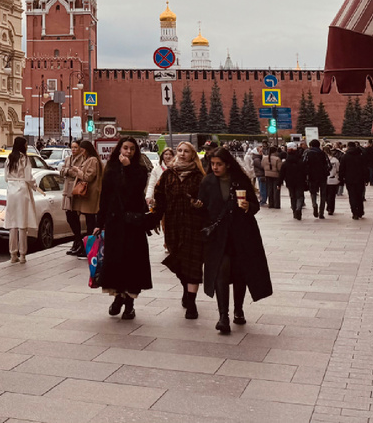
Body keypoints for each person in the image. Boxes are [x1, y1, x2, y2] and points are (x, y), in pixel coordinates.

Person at [198, 147, 273, 334]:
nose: (215, 167)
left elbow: (255, 206)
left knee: (240, 274)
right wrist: (197, 207)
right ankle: (223, 316)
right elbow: (203, 210)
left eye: (219, 164)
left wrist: (248, 206)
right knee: (221, 273)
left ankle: (238, 309)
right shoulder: (207, 182)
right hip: (219, 237)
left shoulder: (240, 180)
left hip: (242, 234)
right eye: (213, 164)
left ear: (227, 164)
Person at [92, 137, 156, 321]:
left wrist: (128, 168)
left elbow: (135, 192)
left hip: (133, 224)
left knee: (132, 264)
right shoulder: (111, 168)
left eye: (132, 149)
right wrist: (99, 222)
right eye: (125, 148)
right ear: (119, 149)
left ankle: (129, 304)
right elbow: (105, 196)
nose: (128, 152)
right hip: (115, 223)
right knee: (116, 262)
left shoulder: (140, 170)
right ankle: (118, 298)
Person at [149, 141, 206, 319]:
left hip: (193, 225)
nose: (181, 154)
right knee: (178, 261)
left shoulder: (199, 177)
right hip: (173, 225)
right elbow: (159, 197)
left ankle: (192, 302)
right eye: (179, 150)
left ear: (193, 155)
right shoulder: (168, 175)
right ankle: (185, 288)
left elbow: (208, 201)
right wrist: (154, 219)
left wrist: (199, 205)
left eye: (186, 151)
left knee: (193, 264)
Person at [4, 136, 36, 264]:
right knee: (22, 224)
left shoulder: (9, 158)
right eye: (26, 144)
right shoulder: (25, 159)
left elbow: (6, 177)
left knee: (12, 224)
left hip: (11, 190)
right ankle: (23, 254)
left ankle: (13, 254)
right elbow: (28, 177)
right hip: (22, 190)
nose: (27, 146)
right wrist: (35, 186)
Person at [62, 140, 98, 255]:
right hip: (70, 190)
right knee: (70, 216)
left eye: (76, 148)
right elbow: (62, 171)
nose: (74, 150)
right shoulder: (68, 159)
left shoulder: (87, 159)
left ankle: (83, 244)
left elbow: (85, 176)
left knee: (88, 219)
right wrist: (69, 171)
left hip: (80, 191)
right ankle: (78, 240)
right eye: (72, 147)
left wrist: (75, 171)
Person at [341, 141, 368, 219]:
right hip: (360, 179)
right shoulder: (361, 156)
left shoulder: (345, 156)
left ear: (348, 147)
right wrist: (366, 178)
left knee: (352, 196)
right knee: (359, 195)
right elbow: (365, 168)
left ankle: (354, 212)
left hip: (349, 179)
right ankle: (360, 211)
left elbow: (342, 168)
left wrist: (341, 179)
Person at [304, 139, 329, 219]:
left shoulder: (307, 153)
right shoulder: (323, 154)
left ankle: (314, 205)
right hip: (322, 177)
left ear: (311, 145)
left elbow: (304, 164)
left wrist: (307, 173)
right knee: (323, 194)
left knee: (313, 193)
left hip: (312, 176)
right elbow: (329, 165)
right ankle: (321, 212)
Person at [281, 147, 307, 220]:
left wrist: (279, 183)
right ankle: (298, 208)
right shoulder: (300, 162)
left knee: (292, 197)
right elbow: (305, 172)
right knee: (300, 196)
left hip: (290, 182)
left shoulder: (285, 163)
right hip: (300, 182)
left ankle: (294, 210)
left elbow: (282, 173)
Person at [261, 145, 283, 209]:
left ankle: (271, 204)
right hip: (276, 175)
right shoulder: (277, 159)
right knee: (276, 190)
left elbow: (262, 165)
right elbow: (280, 168)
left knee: (269, 190)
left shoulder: (264, 158)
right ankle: (276, 204)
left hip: (267, 175)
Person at [324, 145, 341, 216]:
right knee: (332, 195)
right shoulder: (335, 160)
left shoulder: (322, 160)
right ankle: (331, 208)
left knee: (325, 195)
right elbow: (338, 169)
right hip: (333, 179)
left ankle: (329, 206)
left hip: (324, 180)